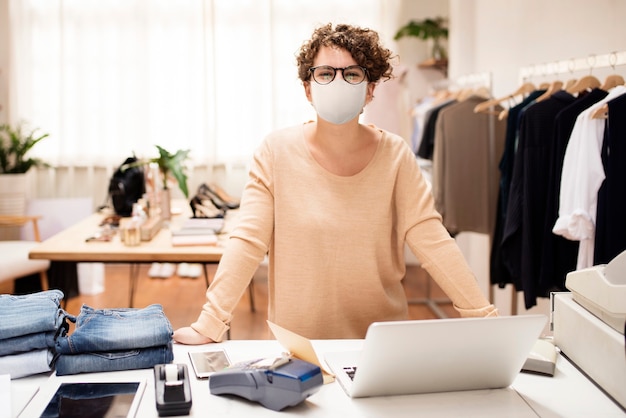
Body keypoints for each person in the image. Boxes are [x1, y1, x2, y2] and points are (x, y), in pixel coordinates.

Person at [173, 23, 497, 345]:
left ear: (370, 88)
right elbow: (248, 240)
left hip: (380, 347)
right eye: (326, 73)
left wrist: (484, 319)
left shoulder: (395, 155)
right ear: (308, 88)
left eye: (352, 74)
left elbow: (432, 239)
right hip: (299, 349)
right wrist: (210, 323)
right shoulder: (275, 152)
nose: (338, 82)